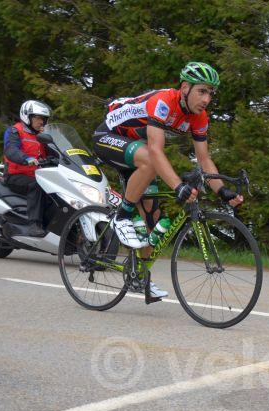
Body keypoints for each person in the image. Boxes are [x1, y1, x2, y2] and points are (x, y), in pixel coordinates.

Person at [92, 61, 243, 298]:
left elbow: (204, 160)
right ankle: (121, 215)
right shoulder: (163, 101)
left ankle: (139, 277)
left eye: (210, 93)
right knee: (151, 161)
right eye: (202, 91)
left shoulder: (199, 117)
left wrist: (223, 191)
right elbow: (155, 151)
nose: (206, 99)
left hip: (136, 149)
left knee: (154, 221)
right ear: (185, 87)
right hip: (108, 137)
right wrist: (178, 186)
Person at [4, 100, 51, 237]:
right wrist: (25, 159)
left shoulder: (43, 136)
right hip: (15, 175)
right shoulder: (15, 131)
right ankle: (34, 224)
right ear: (27, 116)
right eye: (37, 117)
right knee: (36, 185)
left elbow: (55, 151)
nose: (41, 121)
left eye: (44, 119)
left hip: (38, 175)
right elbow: (11, 149)